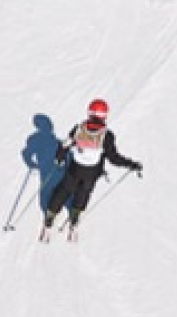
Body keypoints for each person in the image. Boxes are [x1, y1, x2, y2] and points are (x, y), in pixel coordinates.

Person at [41, 99, 141, 238]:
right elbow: (113, 157)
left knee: (63, 190)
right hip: (91, 173)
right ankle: (75, 216)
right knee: (84, 193)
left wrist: (60, 158)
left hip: (74, 169)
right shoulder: (106, 136)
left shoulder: (78, 129)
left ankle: (50, 215)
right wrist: (131, 164)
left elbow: (65, 145)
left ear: (89, 113)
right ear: (104, 116)